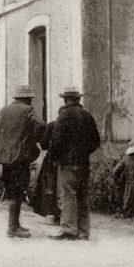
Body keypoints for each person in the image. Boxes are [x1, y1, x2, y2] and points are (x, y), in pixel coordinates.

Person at [0, 86, 45, 238]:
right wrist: (31, 141)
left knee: (12, 190)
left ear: (15, 98)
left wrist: (0, 142)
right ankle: (13, 227)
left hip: (5, 158)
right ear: (27, 98)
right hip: (20, 158)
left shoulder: (4, 110)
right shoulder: (28, 110)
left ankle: (15, 224)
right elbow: (41, 125)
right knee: (18, 191)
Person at [49, 86, 101, 241]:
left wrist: (56, 157)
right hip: (83, 162)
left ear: (65, 100)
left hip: (67, 163)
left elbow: (56, 141)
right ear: (78, 99)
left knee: (68, 195)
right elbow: (96, 141)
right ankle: (84, 231)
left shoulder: (64, 116)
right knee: (82, 196)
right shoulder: (87, 116)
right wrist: (84, 152)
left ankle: (69, 229)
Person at [29, 120, 60, 224]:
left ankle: (51, 215)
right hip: (70, 160)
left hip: (52, 160)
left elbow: (44, 145)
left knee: (49, 187)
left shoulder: (52, 125)